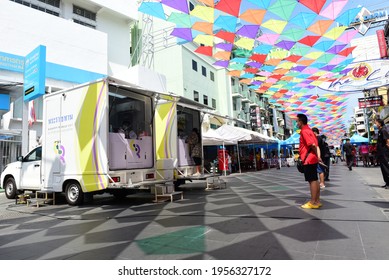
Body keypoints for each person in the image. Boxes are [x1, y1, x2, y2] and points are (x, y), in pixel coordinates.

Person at [297, 114, 322, 209]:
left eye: (297, 121)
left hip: (308, 159)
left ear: (301, 122)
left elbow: (313, 145)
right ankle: (317, 201)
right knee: (315, 179)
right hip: (312, 158)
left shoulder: (305, 131)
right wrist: (318, 156)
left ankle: (313, 202)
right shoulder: (310, 130)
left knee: (312, 180)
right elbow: (316, 145)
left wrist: (317, 155)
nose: (297, 124)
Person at [375, 118, 389, 189]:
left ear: (380, 123)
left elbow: (387, 141)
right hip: (380, 152)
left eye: (376, 123)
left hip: (384, 152)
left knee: (386, 167)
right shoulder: (380, 131)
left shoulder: (384, 130)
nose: (375, 124)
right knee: (383, 168)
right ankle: (386, 182)